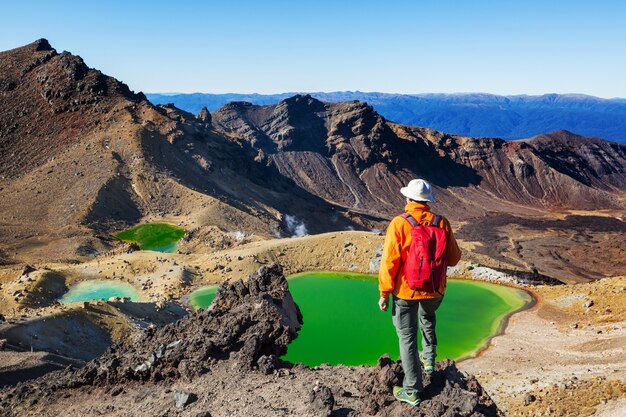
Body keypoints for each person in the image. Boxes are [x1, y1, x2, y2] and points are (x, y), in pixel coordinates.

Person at [378, 178, 461, 406]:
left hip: (406, 292)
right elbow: (454, 259)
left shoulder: (399, 223)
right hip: (435, 290)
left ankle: (412, 390)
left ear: (408, 199)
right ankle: (429, 360)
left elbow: (389, 263)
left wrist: (384, 293)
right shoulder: (441, 223)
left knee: (406, 338)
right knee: (428, 316)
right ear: (428, 201)